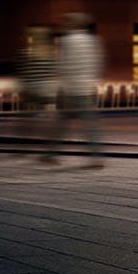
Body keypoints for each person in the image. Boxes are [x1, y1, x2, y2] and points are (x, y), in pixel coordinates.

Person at [50, 12, 104, 168]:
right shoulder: (93, 41)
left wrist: (61, 85)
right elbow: (97, 63)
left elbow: (62, 65)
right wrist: (92, 82)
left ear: (73, 24)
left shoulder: (67, 41)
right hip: (86, 88)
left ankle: (51, 153)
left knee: (61, 123)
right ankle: (96, 157)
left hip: (71, 89)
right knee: (90, 124)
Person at [18, 26, 57, 154]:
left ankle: (23, 147)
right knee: (50, 122)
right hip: (46, 91)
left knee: (28, 120)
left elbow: (23, 73)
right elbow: (53, 73)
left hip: (32, 89)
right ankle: (49, 148)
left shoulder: (26, 53)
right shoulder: (50, 53)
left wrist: (23, 88)